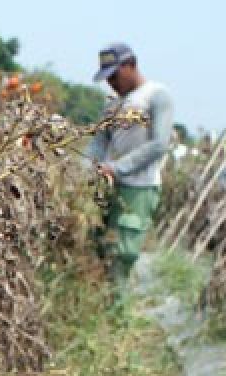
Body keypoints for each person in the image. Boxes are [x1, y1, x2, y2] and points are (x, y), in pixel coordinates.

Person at [87, 43, 174, 296]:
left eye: (115, 76)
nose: (111, 82)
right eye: (107, 78)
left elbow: (159, 144)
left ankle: (119, 318)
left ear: (131, 66)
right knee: (99, 247)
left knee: (123, 254)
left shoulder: (157, 95)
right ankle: (103, 307)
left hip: (139, 188)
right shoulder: (113, 104)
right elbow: (99, 141)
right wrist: (87, 169)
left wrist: (117, 168)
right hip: (108, 185)